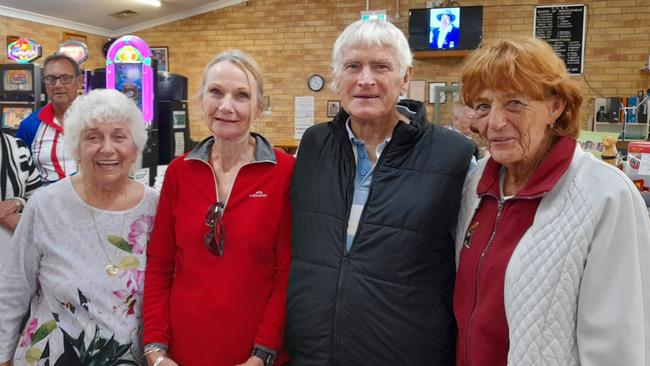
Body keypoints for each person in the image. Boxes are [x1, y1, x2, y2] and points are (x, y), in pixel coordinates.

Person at [286, 20, 475, 365]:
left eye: (381, 67)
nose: (365, 79)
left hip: (405, 352)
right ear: (336, 78)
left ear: (405, 78)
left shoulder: (454, 156)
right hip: (313, 350)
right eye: (353, 66)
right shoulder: (313, 145)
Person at [454, 36, 650, 366]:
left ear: (555, 107)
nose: (495, 122)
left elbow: (618, 343)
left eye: (515, 103)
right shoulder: (477, 184)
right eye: (484, 106)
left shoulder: (604, 195)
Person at [142, 50, 293, 366]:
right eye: (216, 92)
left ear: (259, 107)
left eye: (241, 95)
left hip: (255, 353)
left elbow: (287, 275)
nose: (226, 106)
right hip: (181, 353)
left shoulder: (285, 173)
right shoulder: (179, 172)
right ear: (200, 99)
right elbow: (160, 265)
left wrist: (262, 354)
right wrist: (156, 349)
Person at [0, 88, 158, 365]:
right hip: (48, 357)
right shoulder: (46, 205)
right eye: (93, 137)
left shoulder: (157, 208)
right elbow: (13, 289)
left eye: (119, 136)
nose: (107, 148)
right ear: (76, 147)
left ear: (135, 148)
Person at [17, 54, 82, 184]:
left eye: (65, 78)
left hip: (96, 199)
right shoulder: (29, 125)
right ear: (44, 83)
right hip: (49, 201)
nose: (57, 85)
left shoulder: (98, 117)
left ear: (79, 81)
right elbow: (22, 173)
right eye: (50, 79)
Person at [0, 129, 42, 242]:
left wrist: (17, 202)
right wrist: (5, 216)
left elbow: (36, 197)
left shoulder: (18, 147)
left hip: (13, 245)